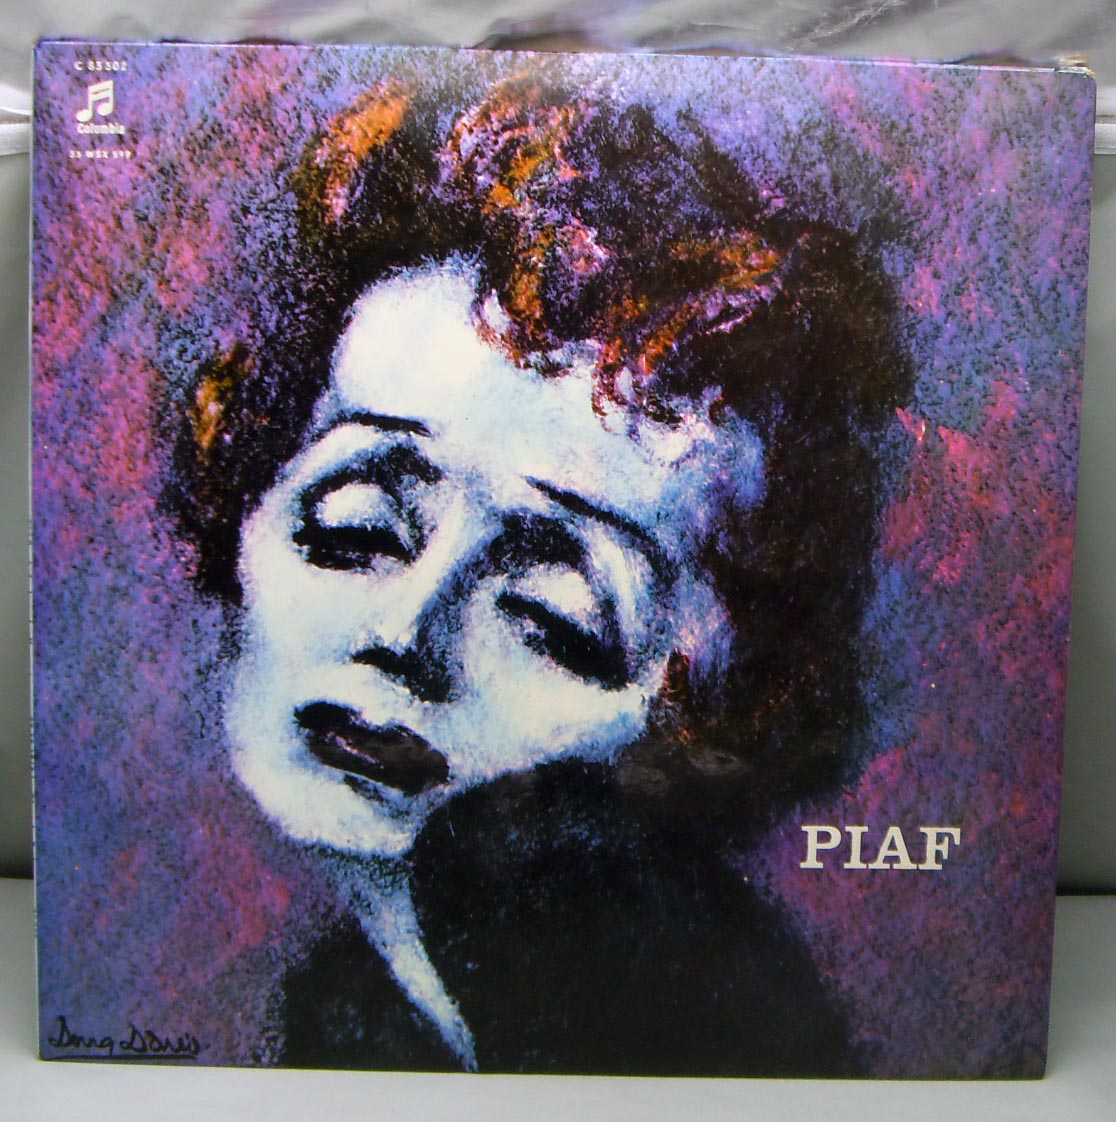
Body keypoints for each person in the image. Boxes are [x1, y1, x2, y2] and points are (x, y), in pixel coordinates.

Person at [166, 65, 911, 1075]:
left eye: (552, 618)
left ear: (710, 710)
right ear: (255, 492)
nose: (405, 637)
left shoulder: (740, 1045)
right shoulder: (337, 1016)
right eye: (359, 530)